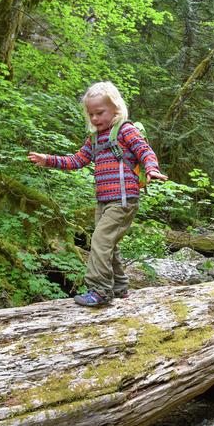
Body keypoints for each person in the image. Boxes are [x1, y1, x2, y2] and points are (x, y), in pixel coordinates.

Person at [28, 81, 167, 307]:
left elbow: (145, 151)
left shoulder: (125, 130)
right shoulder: (94, 139)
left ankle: (100, 290)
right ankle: (120, 287)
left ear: (116, 108)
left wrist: (151, 169)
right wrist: (48, 160)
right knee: (107, 243)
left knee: (100, 242)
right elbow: (76, 161)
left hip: (123, 199)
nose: (94, 118)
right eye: (91, 114)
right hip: (103, 201)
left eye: (99, 113)